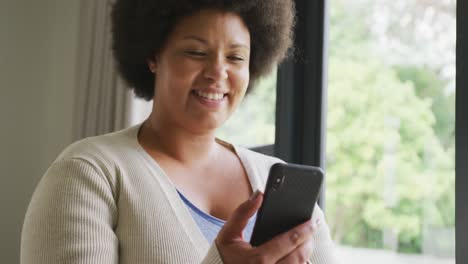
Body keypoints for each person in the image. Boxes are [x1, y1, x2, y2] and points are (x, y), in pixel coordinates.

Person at [21, 0, 339, 263]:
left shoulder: (277, 181)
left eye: (235, 57)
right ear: (153, 56)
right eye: (196, 53)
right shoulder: (89, 174)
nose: (218, 72)